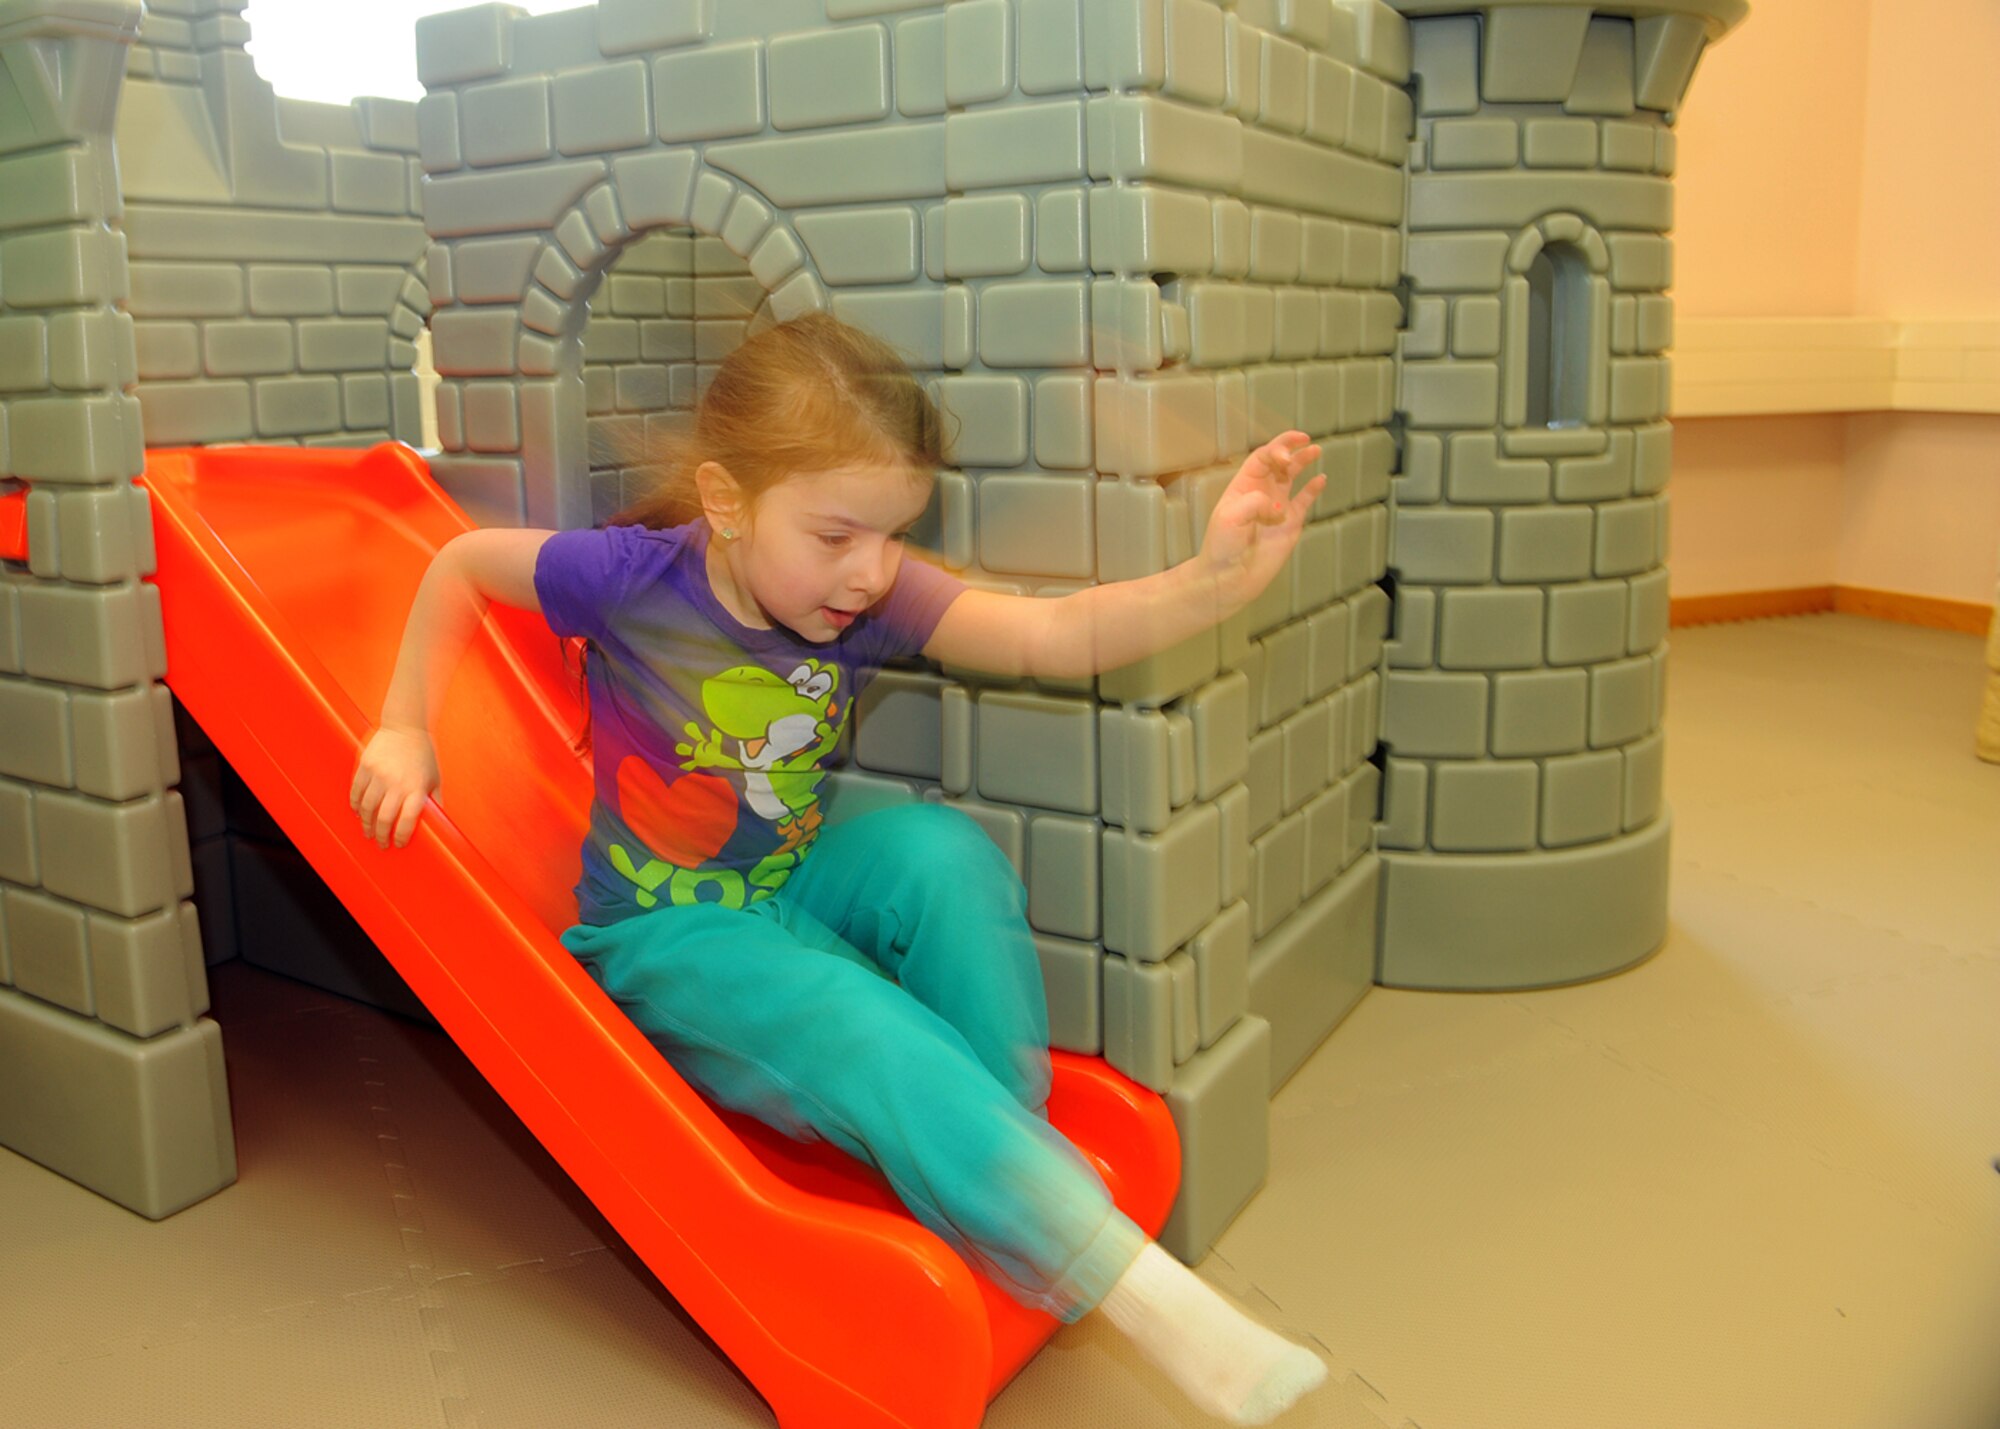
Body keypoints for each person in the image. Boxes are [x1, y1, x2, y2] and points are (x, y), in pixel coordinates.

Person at [351, 313, 1329, 1425]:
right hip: (657, 935)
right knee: (848, 1016)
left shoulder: (864, 589)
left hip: (785, 881)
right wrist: (402, 727)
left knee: (940, 853)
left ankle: (1005, 1153)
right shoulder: (626, 577)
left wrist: (1207, 584)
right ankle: (1141, 1292)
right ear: (726, 502)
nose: (868, 572)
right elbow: (460, 564)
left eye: (889, 534)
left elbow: (1043, 635)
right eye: (834, 536)